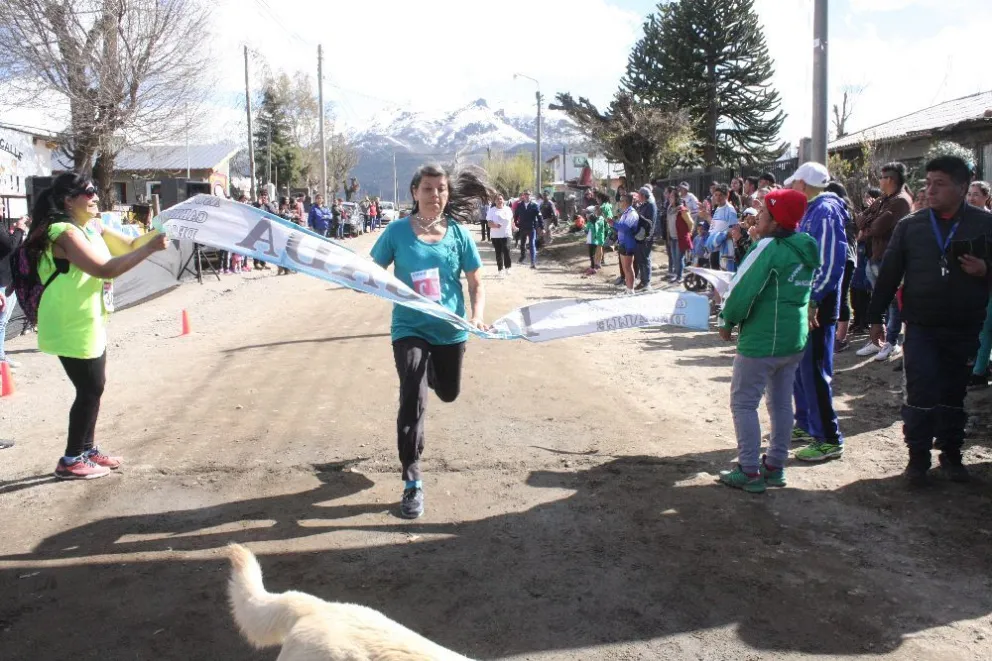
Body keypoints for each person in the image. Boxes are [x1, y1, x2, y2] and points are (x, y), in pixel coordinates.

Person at [23, 172, 168, 479]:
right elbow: (103, 269)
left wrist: (161, 233)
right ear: (68, 200)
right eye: (89, 192)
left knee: (95, 386)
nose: (96, 197)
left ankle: (87, 450)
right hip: (69, 320)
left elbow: (130, 244)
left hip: (90, 318)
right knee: (90, 388)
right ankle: (71, 459)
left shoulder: (92, 226)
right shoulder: (62, 232)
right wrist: (150, 249)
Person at [370, 163, 492, 518]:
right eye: (427, 188)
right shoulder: (396, 232)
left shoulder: (458, 234)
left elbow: (476, 283)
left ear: (448, 194)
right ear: (415, 192)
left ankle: (434, 375)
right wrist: (365, 279)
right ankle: (412, 481)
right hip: (409, 328)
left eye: (441, 189)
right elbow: (373, 270)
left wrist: (477, 316)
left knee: (449, 392)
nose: (434, 195)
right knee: (412, 396)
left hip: (450, 330)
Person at [867, 156, 992, 485]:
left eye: (940, 184)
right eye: (928, 183)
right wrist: (875, 317)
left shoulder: (984, 224)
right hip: (921, 326)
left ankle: (951, 454)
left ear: (962, 187)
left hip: (964, 327)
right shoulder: (911, 226)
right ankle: (918, 458)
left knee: (953, 393)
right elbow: (889, 273)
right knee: (920, 392)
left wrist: (985, 269)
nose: (931, 190)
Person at [717, 188, 819, 493]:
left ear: (775, 221)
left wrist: (726, 320)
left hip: (762, 341)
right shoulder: (806, 246)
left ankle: (749, 471)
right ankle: (774, 467)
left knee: (743, 402)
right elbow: (809, 290)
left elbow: (741, 288)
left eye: (762, 212)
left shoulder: (769, 247)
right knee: (781, 403)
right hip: (793, 339)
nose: (756, 216)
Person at [785, 162, 848, 463]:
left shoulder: (825, 211)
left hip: (818, 307)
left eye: (794, 183)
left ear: (803, 184)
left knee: (814, 372)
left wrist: (814, 299)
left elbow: (829, 261)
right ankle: (806, 424)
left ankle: (828, 439)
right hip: (805, 303)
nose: (791, 187)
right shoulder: (810, 211)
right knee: (801, 370)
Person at [854, 163, 913, 361]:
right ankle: (878, 339)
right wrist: (868, 220)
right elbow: (860, 219)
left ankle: (891, 341)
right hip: (875, 256)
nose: (879, 181)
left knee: (892, 302)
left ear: (890, 179)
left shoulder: (900, 201)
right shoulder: (882, 199)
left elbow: (877, 227)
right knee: (879, 300)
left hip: (889, 259)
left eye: (881, 177)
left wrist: (869, 223)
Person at [825, 181, 859, 353]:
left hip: (843, 257)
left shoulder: (839, 210)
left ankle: (841, 338)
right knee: (841, 296)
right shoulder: (848, 210)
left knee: (842, 296)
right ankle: (839, 336)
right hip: (848, 257)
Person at [0, 210, 28, 370]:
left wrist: (14, 232)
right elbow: (10, 246)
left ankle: (1, 356)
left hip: (8, 279)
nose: (2, 208)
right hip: (2, 282)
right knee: (1, 322)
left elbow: (9, 246)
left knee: (3, 321)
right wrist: (19, 229)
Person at [612, 193, 639, 295]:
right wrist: (613, 224)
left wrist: (613, 223)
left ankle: (631, 290)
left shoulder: (632, 213)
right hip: (623, 243)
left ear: (626, 202)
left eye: (621, 200)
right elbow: (620, 227)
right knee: (625, 268)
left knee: (628, 267)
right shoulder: (625, 213)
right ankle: (628, 289)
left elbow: (625, 228)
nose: (619, 202)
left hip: (629, 243)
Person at [633, 186, 658, 291]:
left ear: (643, 195)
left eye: (639, 194)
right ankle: (643, 281)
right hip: (640, 236)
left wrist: (638, 216)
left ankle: (647, 282)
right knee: (641, 259)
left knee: (645, 259)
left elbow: (649, 222)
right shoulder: (644, 205)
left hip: (646, 236)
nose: (638, 196)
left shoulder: (651, 205)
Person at [513, 190, 542, 269]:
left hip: (531, 228)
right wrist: (515, 225)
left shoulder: (534, 205)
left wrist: (541, 227)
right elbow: (516, 216)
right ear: (523, 195)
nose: (527, 196)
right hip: (522, 228)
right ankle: (522, 257)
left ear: (530, 195)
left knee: (532, 244)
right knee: (522, 244)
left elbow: (539, 217)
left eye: (528, 194)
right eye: (525, 194)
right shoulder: (519, 205)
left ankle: (533, 262)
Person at [486, 194, 513, 276]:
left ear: (503, 200)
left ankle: (508, 267)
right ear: (495, 201)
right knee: (498, 253)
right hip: (496, 235)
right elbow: (489, 223)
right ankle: (500, 270)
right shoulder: (492, 210)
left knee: (506, 250)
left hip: (506, 234)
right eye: (497, 199)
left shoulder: (508, 209)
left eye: (501, 199)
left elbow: (512, 219)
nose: (499, 201)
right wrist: (496, 226)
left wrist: (514, 226)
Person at [252, 191, 276, 269]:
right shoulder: (255, 204)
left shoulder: (269, 205)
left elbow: (275, 213)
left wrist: (268, 204)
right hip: (256, 227)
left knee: (264, 246)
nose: (264, 197)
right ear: (259, 196)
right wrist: (258, 204)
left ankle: (263, 263)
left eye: (265, 195)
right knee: (256, 246)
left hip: (266, 227)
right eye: (262, 195)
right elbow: (252, 212)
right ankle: (256, 263)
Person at [584, 208, 606, 274]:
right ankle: (596, 264)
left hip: (596, 239)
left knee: (596, 253)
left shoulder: (599, 219)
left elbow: (587, 231)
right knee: (596, 252)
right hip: (596, 239)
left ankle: (595, 265)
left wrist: (587, 225)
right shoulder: (596, 220)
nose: (595, 212)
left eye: (595, 210)